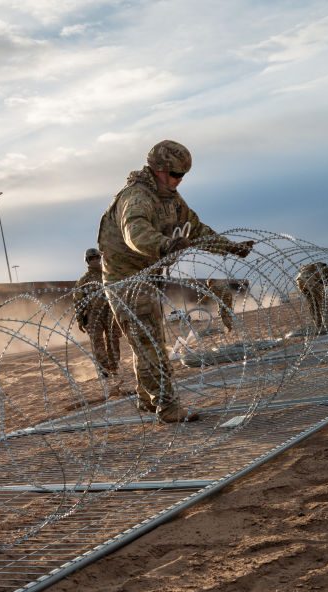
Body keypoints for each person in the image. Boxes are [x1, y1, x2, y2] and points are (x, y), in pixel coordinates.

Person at [97, 140, 255, 423]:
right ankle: (167, 406)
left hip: (147, 278)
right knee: (150, 345)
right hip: (126, 282)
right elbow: (135, 233)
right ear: (159, 169)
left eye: (183, 175)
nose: (179, 180)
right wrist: (165, 245)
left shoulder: (170, 200)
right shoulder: (137, 197)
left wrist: (229, 247)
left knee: (147, 341)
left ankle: (147, 398)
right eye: (175, 174)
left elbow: (196, 229)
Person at [73, 248, 122, 382]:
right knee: (97, 342)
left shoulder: (108, 274)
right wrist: (80, 319)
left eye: (96, 258)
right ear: (87, 261)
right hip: (94, 314)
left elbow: (118, 291)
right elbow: (78, 300)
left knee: (113, 340)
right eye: (91, 258)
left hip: (110, 312)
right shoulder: (84, 280)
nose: (95, 260)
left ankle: (114, 367)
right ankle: (103, 369)